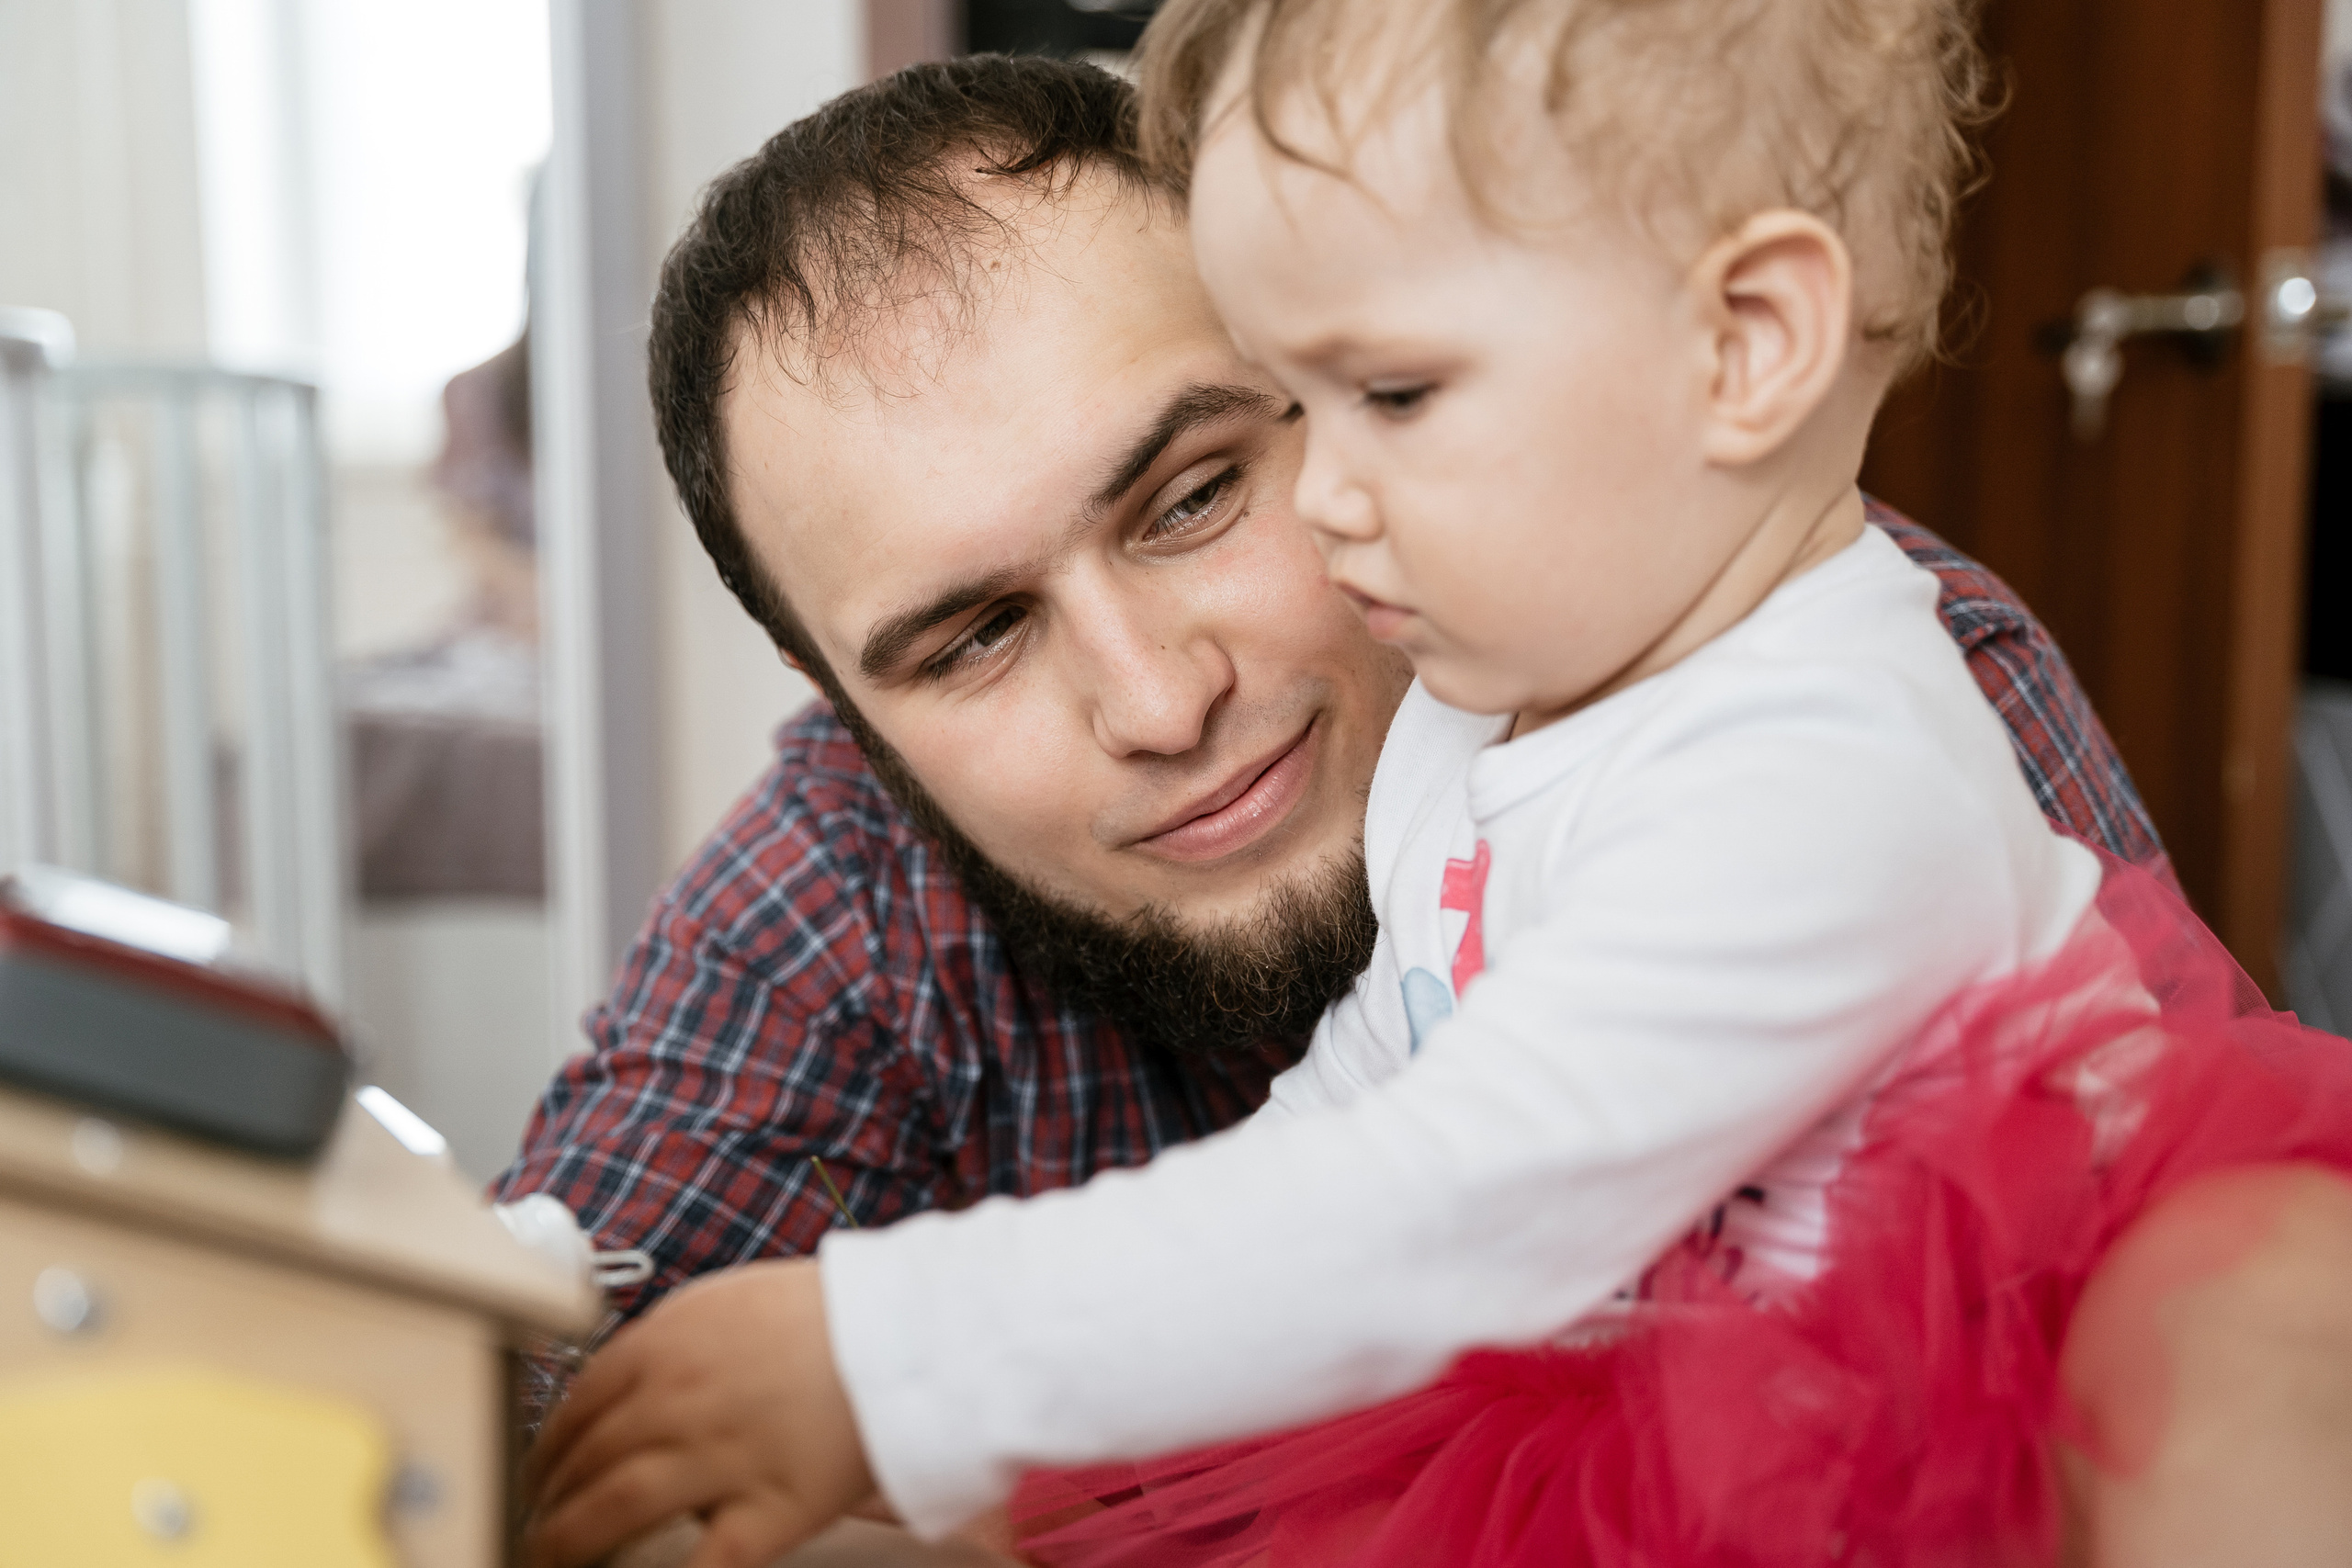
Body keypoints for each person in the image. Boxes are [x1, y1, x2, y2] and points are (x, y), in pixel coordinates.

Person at [515, 31, 2352, 1568]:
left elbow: (1460, 1185)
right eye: (976, 634)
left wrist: (896, 1350)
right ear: (848, 710)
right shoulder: (1473, 721)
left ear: (1741, 344)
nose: (1160, 696)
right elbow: (1363, 1110)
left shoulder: (1844, 740)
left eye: (1206, 483)